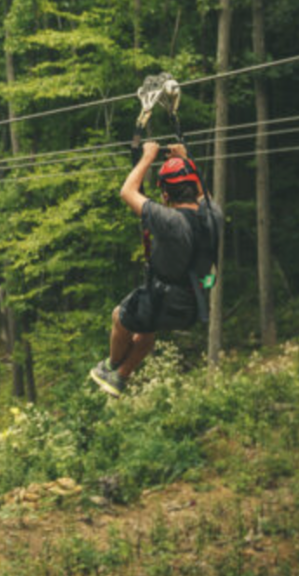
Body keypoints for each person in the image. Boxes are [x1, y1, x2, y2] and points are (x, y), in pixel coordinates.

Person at [89, 141, 223, 398]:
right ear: (194, 186)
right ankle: (120, 377)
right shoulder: (213, 215)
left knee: (120, 316)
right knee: (144, 332)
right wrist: (186, 160)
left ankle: (113, 366)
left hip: (161, 300)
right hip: (193, 306)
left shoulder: (169, 220)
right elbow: (203, 194)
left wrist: (147, 157)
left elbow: (127, 191)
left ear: (165, 195)